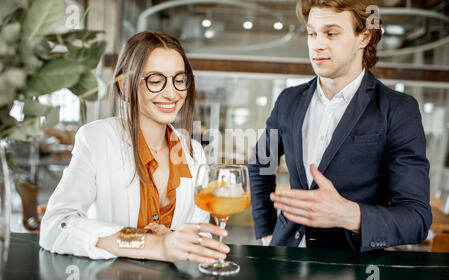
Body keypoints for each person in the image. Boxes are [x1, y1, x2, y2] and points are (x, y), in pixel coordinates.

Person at [249, 0, 432, 252]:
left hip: (350, 271)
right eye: (312, 33)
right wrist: (266, 229)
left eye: (331, 33)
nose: (317, 44)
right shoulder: (288, 100)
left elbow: (417, 219)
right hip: (284, 256)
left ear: (364, 36)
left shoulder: (397, 110)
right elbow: (261, 162)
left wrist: (349, 215)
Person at [40, 31, 230, 263]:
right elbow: (56, 227)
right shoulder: (97, 138)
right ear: (125, 85)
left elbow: (196, 234)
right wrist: (150, 243)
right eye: (156, 80)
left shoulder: (194, 152)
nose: (172, 93)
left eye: (179, 80)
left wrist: (171, 238)